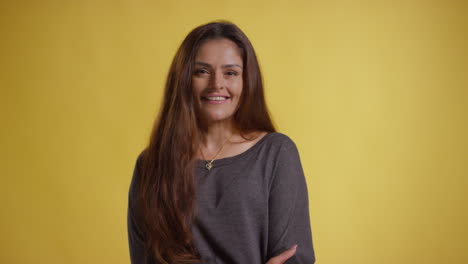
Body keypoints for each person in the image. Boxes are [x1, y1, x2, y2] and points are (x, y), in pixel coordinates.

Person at [127, 21, 315, 264]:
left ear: (247, 81)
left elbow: (293, 259)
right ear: (183, 80)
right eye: (202, 71)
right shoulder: (151, 164)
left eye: (231, 73)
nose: (217, 84)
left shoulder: (276, 153)